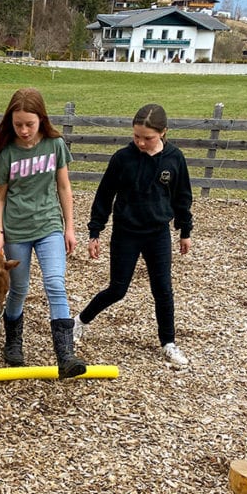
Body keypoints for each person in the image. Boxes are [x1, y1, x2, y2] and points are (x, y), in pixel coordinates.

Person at [0, 88, 86, 379]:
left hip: (49, 225)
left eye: (29, 124)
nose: (23, 130)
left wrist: (70, 228)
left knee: (55, 283)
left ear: (41, 120)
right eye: (18, 124)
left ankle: (65, 355)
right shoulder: (7, 153)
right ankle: (13, 343)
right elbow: (0, 197)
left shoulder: (55, 145)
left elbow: (64, 188)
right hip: (17, 230)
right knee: (19, 288)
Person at [78, 103, 193, 368]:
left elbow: (182, 198)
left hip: (157, 234)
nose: (141, 142)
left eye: (147, 138)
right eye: (136, 136)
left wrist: (184, 230)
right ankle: (80, 322)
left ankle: (168, 343)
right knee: (118, 289)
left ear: (163, 132)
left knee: (163, 290)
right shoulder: (122, 158)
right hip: (126, 233)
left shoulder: (175, 159)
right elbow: (104, 196)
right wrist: (95, 231)